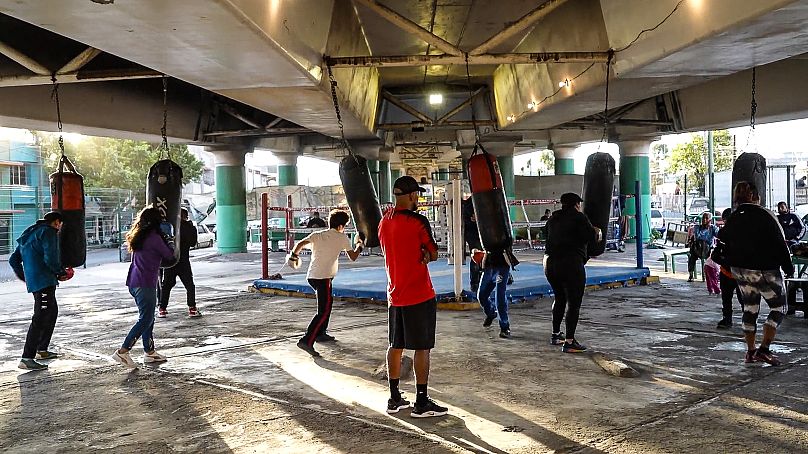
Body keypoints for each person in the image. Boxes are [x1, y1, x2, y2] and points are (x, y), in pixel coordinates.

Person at [379, 175, 447, 418]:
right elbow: (434, 253)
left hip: (394, 294)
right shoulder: (418, 221)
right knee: (422, 348)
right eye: (416, 194)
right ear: (411, 195)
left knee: (395, 345)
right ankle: (421, 401)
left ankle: (394, 398)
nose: (417, 198)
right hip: (419, 293)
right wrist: (425, 254)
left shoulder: (384, 221)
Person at [716, 182, 793, 366]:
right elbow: (780, 243)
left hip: (740, 271)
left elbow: (721, 242)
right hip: (765, 269)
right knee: (779, 308)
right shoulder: (765, 214)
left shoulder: (733, 218)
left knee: (750, 309)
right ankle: (764, 350)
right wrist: (788, 268)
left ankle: (751, 352)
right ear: (755, 196)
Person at [288, 210, 363, 357]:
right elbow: (353, 257)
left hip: (313, 276)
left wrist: (293, 256)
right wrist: (360, 245)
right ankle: (307, 340)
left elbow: (300, 243)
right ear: (342, 226)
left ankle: (321, 333)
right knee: (323, 311)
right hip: (323, 278)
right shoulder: (342, 237)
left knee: (327, 305)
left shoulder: (318, 235)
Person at [112, 206, 175, 368]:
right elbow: (169, 255)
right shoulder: (154, 238)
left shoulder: (139, 235)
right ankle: (123, 351)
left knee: (148, 317)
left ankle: (150, 352)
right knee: (146, 318)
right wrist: (169, 238)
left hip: (135, 282)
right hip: (145, 282)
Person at [9, 211, 68, 371]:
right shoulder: (48, 232)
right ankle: (26, 357)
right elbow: (51, 257)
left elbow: (13, 260)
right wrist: (61, 272)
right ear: (57, 222)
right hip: (44, 281)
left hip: (38, 281)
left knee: (52, 311)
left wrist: (26, 277)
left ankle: (41, 350)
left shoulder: (29, 233)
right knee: (40, 317)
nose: (60, 228)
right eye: (60, 225)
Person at [544, 193, 600, 353]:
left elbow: (545, 236)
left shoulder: (553, 218)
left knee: (559, 297)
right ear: (577, 204)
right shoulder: (579, 218)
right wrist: (595, 231)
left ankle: (555, 335)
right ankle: (569, 341)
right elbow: (591, 238)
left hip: (550, 263)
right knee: (574, 303)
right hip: (570, 263)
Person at [158, 208, 199, 317]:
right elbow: (193, 243)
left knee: (166, 285)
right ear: (186, 216)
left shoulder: (169, 226)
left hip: (170, 260)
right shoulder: (189, 227)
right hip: (184, 260)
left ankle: (162, 308)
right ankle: (192, 308)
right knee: (189, 285)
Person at [474, 248, 517, 338]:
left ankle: (505, 327)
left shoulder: (503, 235)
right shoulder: (482, 235)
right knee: (481, 295)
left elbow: (506, 244)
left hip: (502, 266)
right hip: (488, 266)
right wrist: (476, 251)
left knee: (500, 297)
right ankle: (491, 313)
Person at [716, 208, 743, 329]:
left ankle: (728, 320)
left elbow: (716, 254)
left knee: (728, 298)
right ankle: (746, 320)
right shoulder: (744, 233)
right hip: (737, 272)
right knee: (740, 299)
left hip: (731, 271)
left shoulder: (724, 232)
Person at [687, 212, 719, 282]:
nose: (704, 220)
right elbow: (697, 237)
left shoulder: (713, 228)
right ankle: (691, 274)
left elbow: (718, 235)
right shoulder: (697, 227)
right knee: (691, 257)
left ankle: (715, 274)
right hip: (697, 249)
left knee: (715, 256)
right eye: (703, 218)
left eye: (706, 218)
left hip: (708, 250)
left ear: (710, 220)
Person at [462, 198, 482, 293]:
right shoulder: (471, 203)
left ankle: (476, 283)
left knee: (479, 255)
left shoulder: (471, 202)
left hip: (476, 231)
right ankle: (475, 283)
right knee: (477, 255)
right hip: (474, 232)